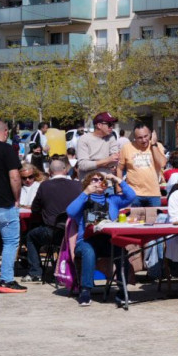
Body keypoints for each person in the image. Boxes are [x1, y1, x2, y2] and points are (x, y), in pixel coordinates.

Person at [66, 172, 136, 305]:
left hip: (108, 241)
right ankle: (85, 291)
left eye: (101, 179)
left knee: (122, 251)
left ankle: (122, 290)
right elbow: (70, 211)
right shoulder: (83, 200)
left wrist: (116, 179)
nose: (98, 182)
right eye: (94, 180)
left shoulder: (112, 200)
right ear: (87, 183)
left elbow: (131, 196)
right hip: (86, 241)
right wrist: (86, 192)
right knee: (89, 252)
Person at [22, 156, 82, 282]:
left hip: (53, 233)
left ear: (49, 172)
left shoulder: (44, 186)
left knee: (30, 236)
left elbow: (35, 209)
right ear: (65, 170)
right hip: (75, 233)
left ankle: (35, 272)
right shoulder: (78, 185)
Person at [0, 120, 24, 293]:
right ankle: (6, 280)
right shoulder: (6, 149)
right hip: (3, 203)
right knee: (10, 242)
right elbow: (15, 177)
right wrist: (17, 198)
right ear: (5, 132)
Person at [117, 123, 166, 208]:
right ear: (134, 137)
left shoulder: (157, 146)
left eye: (146, 136)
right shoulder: (126, 147)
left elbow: (162, 163)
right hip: (133, 194)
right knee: (132, 217)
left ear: (150, 134)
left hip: (153, 194)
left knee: (154, 216)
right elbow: (119, 169)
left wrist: (154, 145)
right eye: (140, 138)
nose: (144, 140)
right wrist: (119, 188)